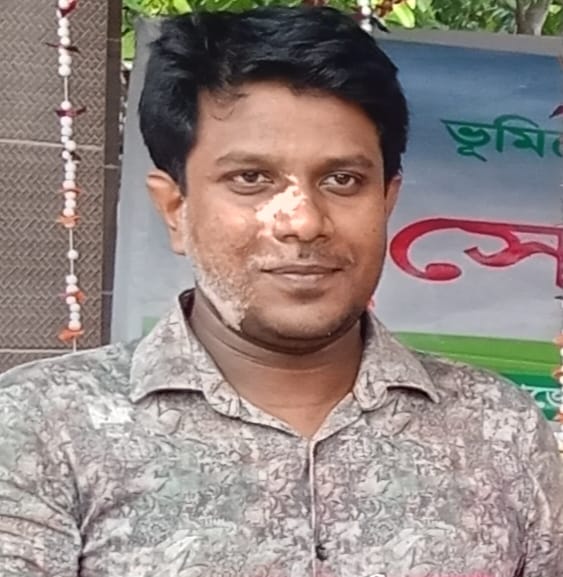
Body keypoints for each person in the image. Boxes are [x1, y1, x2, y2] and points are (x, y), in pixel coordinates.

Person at [0, 6, 562, 577]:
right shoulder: (41, 427)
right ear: (175, 209)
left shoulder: (498, 428)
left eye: (342, 180)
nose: (303, 221)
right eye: (251, 179)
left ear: (386, 202)